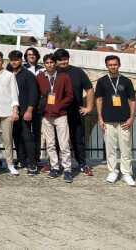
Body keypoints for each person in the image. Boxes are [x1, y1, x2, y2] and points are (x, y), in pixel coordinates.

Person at [96, 55, 136, 186]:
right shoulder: (102, 81)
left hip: (124, 121)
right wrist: (100, 118)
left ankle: (126, 173)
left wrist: (131, 118)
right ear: (106, 66)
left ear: (119, 65)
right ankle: (113, 171)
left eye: (115, 64)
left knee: (126, 149)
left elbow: (132, 101)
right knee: (110, 149)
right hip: (108, 120)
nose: (113, 67)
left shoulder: (126, 81)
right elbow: (99, 100)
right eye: (110, 65)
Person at [54, 48, 94, 176]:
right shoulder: (53, 72)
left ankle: (82, 163)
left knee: (78, 139)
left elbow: (89, 89)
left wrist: (89, 107)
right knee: (56, 140)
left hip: (75, 112)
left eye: (65, 59)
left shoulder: (78, 72)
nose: (63, 62)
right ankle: (55, 164)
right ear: (56, 61)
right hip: (58, 112)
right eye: (60, 60)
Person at [36, 54, 74, 183]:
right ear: (44, 64)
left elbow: (69, 96)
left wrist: (59, 106)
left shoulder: (64, 77)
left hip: (61, 115)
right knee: (50, 144)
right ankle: (54, 167)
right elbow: (38, 95)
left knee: (64, 144)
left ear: (55, 64)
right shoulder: (40, 77)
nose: (50, 65)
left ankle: (67, 169)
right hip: (46, 115)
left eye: (52, 62)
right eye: (47, 63)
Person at [8, 50, 39, 175]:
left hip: (25, 111)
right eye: (12, 60)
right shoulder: (8, 73)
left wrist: (29, 110)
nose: (14, 62)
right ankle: (21, 160)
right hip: (11, 112)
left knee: (27, 137)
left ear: (21, 60)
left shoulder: (28, 75)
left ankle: (32, 163)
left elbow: (33, 94)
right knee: (16, 136)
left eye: (17, 59)